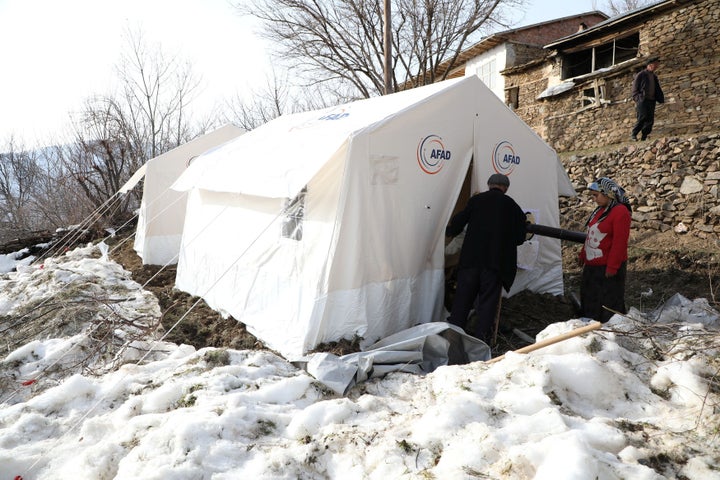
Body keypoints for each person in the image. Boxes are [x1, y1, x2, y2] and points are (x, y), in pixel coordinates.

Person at [445, 173, 527, 343]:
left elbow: (458, 222)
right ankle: (481, 343)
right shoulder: (513, 206)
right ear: (505, 188)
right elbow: (520, 238)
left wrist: (450, 230)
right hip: (495, 264)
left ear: (489, 184)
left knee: (462, 300)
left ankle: (453, 339)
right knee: (487, 304)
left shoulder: (476, 201)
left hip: (471, 261)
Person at [579, 177, 632, 322]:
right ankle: (590, 326)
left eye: (596, 195)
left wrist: (612, 267)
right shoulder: (600, 211)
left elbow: (619, 243)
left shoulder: (620, 212)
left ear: (607, 193)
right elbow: (591, 234)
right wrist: (583, 254)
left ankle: (608, 329)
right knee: (590, 297)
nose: (594, 199)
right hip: (592, 265)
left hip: (607, 268)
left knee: (608, 300)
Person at [631, 56, 665, 141]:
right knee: (642, 117)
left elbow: (657, 88)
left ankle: (644, 136)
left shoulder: (654, 76)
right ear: (650, 65)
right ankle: (634, 134)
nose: (657, 66)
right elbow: (635, 88)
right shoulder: (641, 75)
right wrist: (637, 98)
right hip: (642, 99)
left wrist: (660, 98)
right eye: (655, 64)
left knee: (650, 119)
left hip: (651, 100)